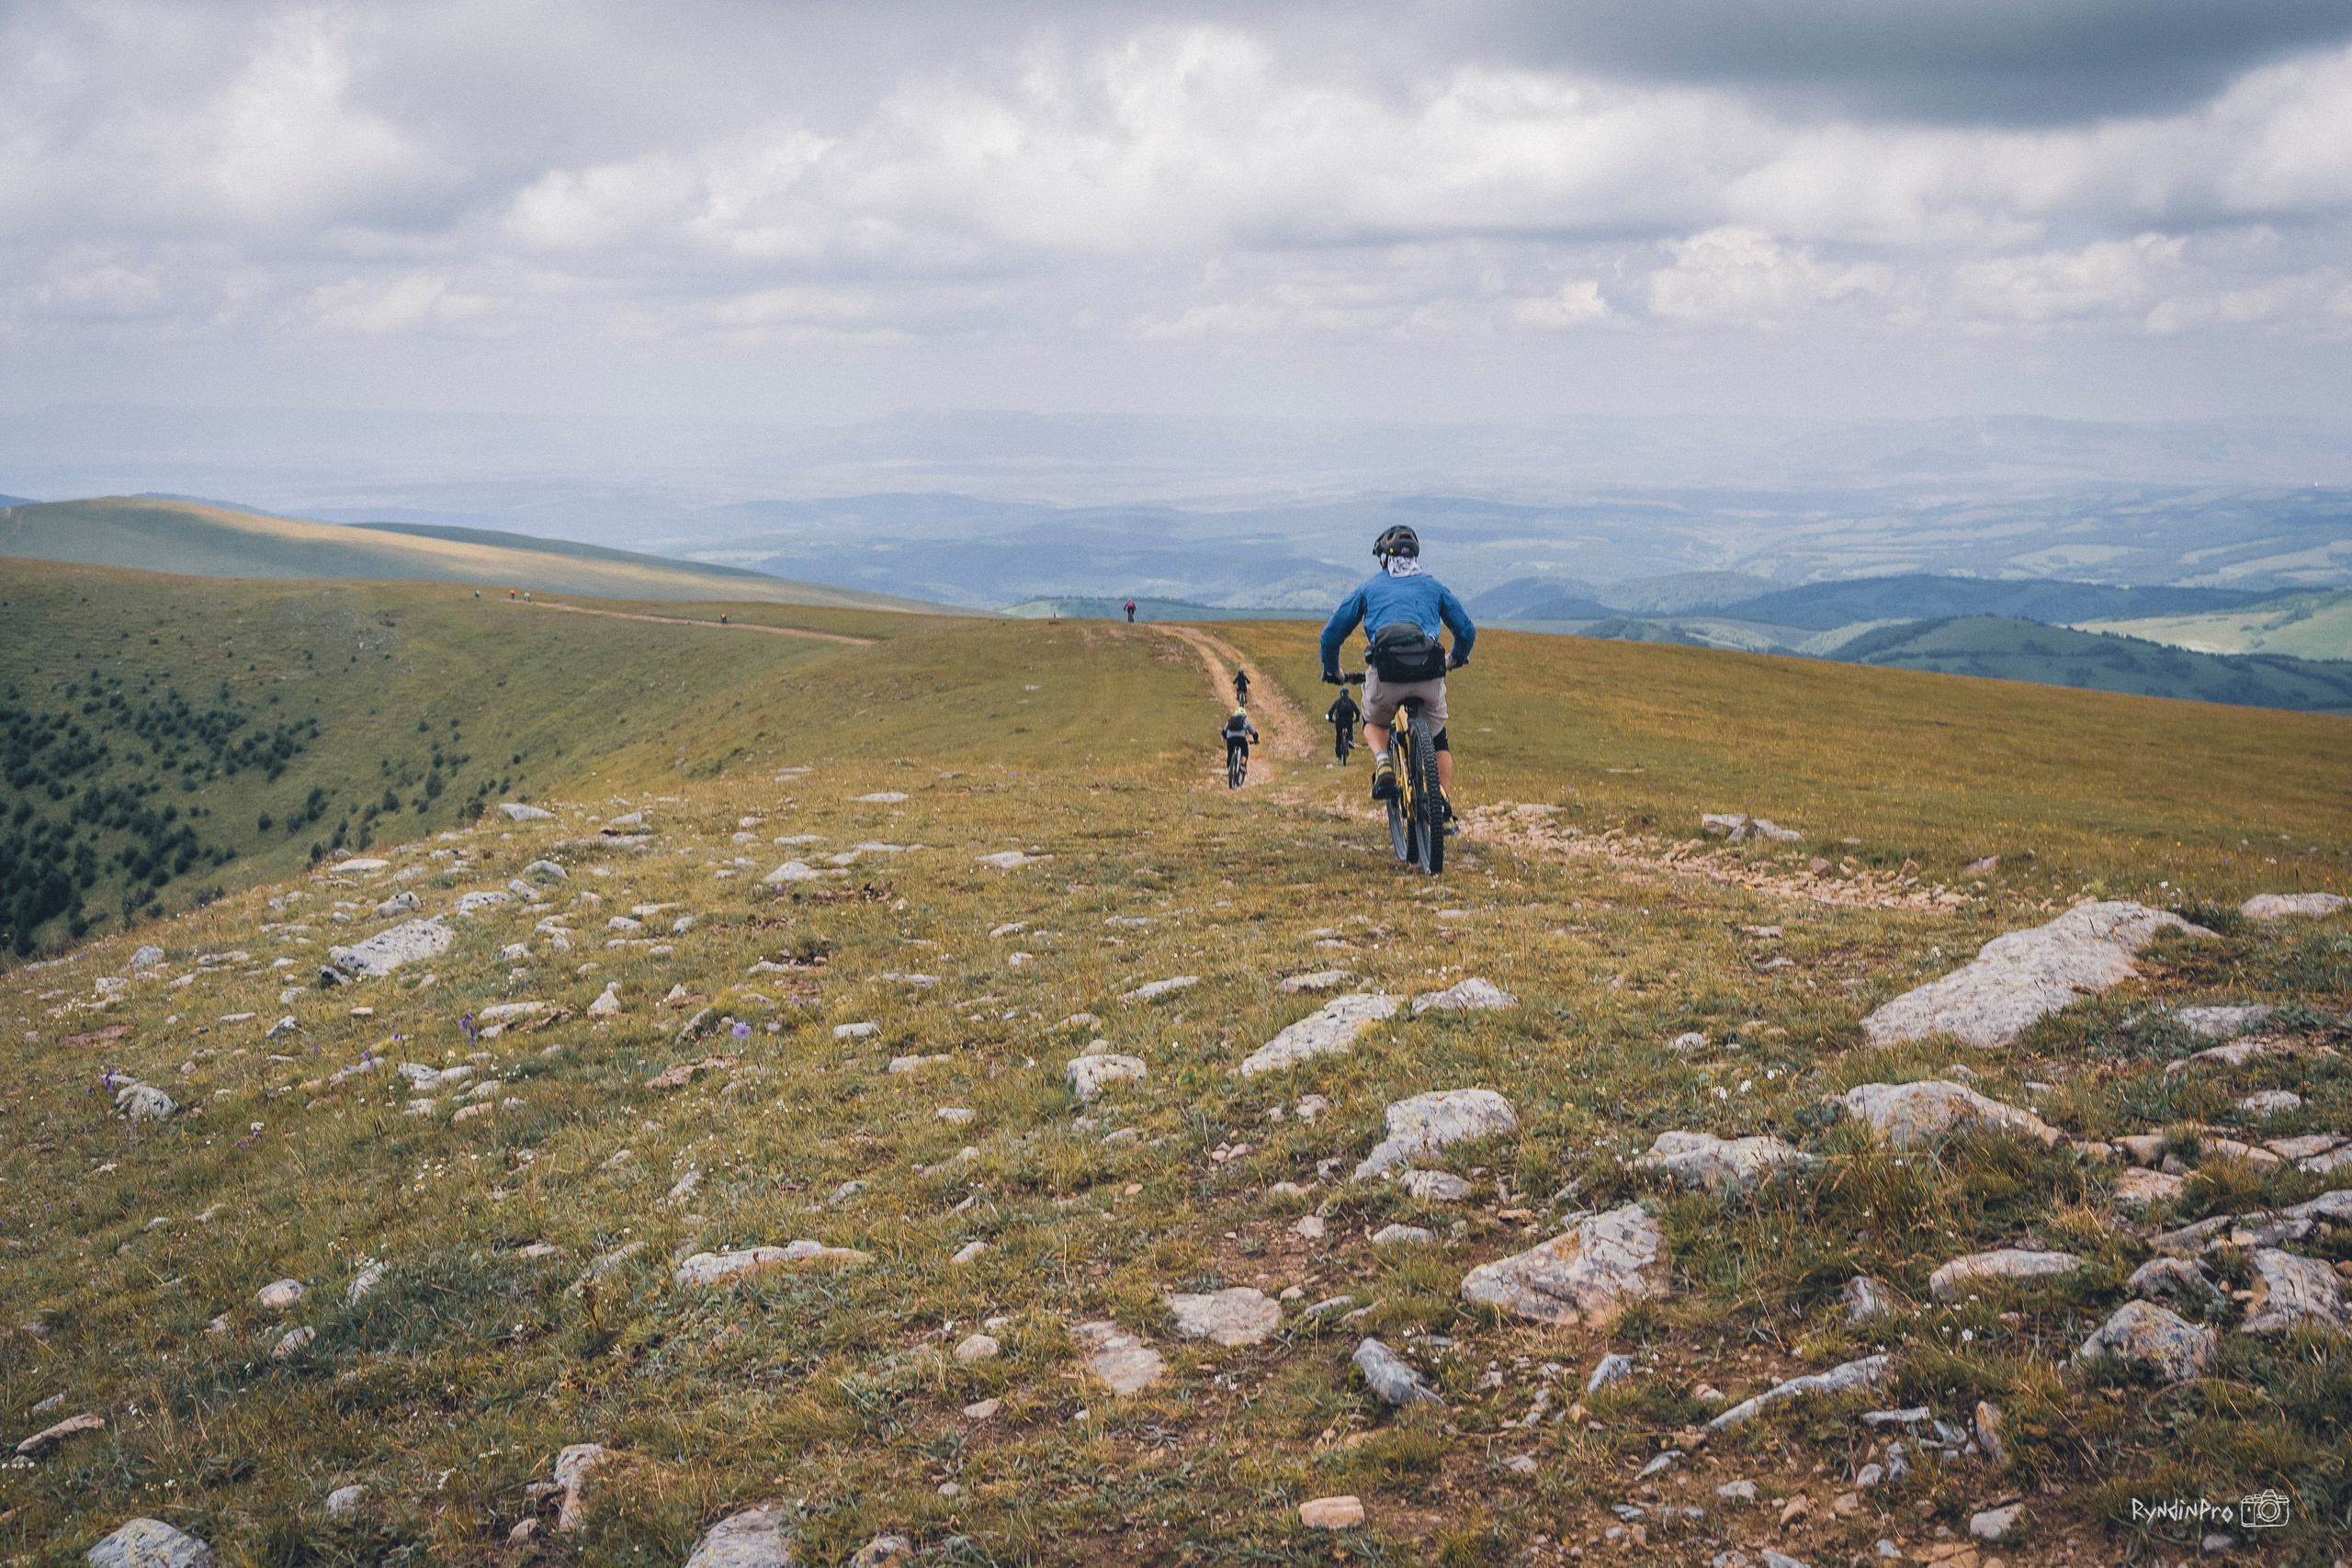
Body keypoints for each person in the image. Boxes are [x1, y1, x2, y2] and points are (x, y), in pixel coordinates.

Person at [1318, 524, 1475, 807]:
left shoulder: (1368, 588)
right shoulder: (1433, 586)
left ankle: (1384, 765)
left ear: (1383, 558)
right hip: (1429, 675)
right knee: (1438, 739)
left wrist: (1332, 670)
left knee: (1373, 721)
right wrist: (1456, 658)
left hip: (1386, 677)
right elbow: (1465, 630)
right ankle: (1443, 806)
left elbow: (1331, 635)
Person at [1325, 685, 1361, 761]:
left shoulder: (1337, 702)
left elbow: (1330, 711)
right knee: (1350, 730)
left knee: (1338, 737)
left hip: (1339, 721)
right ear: (1348, 693)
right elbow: (1357, 712)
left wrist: (1331, 719)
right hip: (1349, 721)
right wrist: (1357, 719)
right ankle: (1350, 740)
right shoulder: (1351, 702)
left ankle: (1338, 756)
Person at [1221, 705, 1258, 773]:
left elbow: (1223, 731)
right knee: (1245, 750)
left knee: (1230, 752)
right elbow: (1253, 732)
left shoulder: (1230, 720)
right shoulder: (1245, 720)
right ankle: (1243, 765)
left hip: (1230, 739)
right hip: (1240, 738)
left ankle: (1229, 769)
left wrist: (1227, 738)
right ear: (1245, 714)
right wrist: (1256, 740)